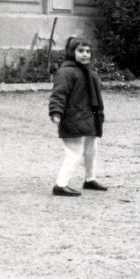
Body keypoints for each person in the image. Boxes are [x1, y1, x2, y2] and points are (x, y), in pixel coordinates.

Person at [48, 36, 106, 197]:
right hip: (73, 118)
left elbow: (96, 98)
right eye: (80, 51)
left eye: (88, 51)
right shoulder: (66, 72)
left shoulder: (89, 72)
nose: (85, 54)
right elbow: (59, 93)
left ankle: (90, 179)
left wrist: (99, 116)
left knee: (91, 150)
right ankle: (60, 184)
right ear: (71, 52)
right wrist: (56, 112)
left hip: (90, 119)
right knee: (74, 152)